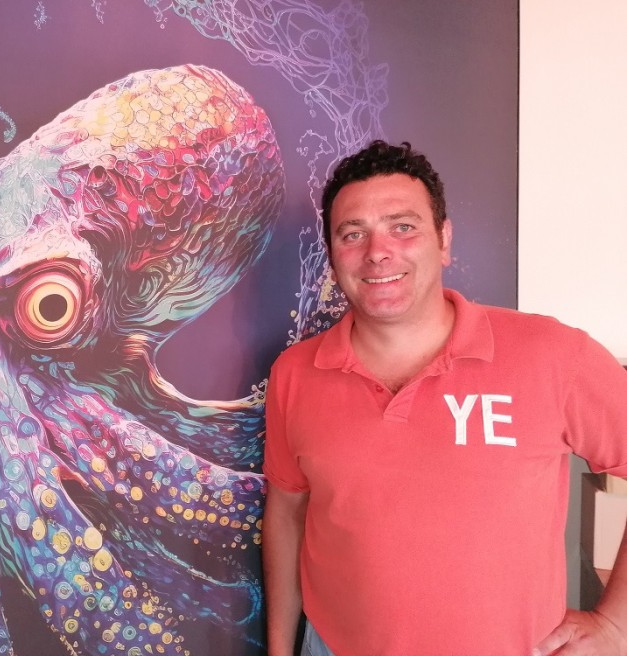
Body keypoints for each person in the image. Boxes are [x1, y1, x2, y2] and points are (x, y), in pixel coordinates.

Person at [262, 140, 627, 656]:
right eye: (353, 233)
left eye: (402, 226)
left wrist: (616, 625)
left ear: (444, 239)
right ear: (333, 255)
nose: (378, 251)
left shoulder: (553, 355)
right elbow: (287, 513)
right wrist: (280, 648)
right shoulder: (295, 374)